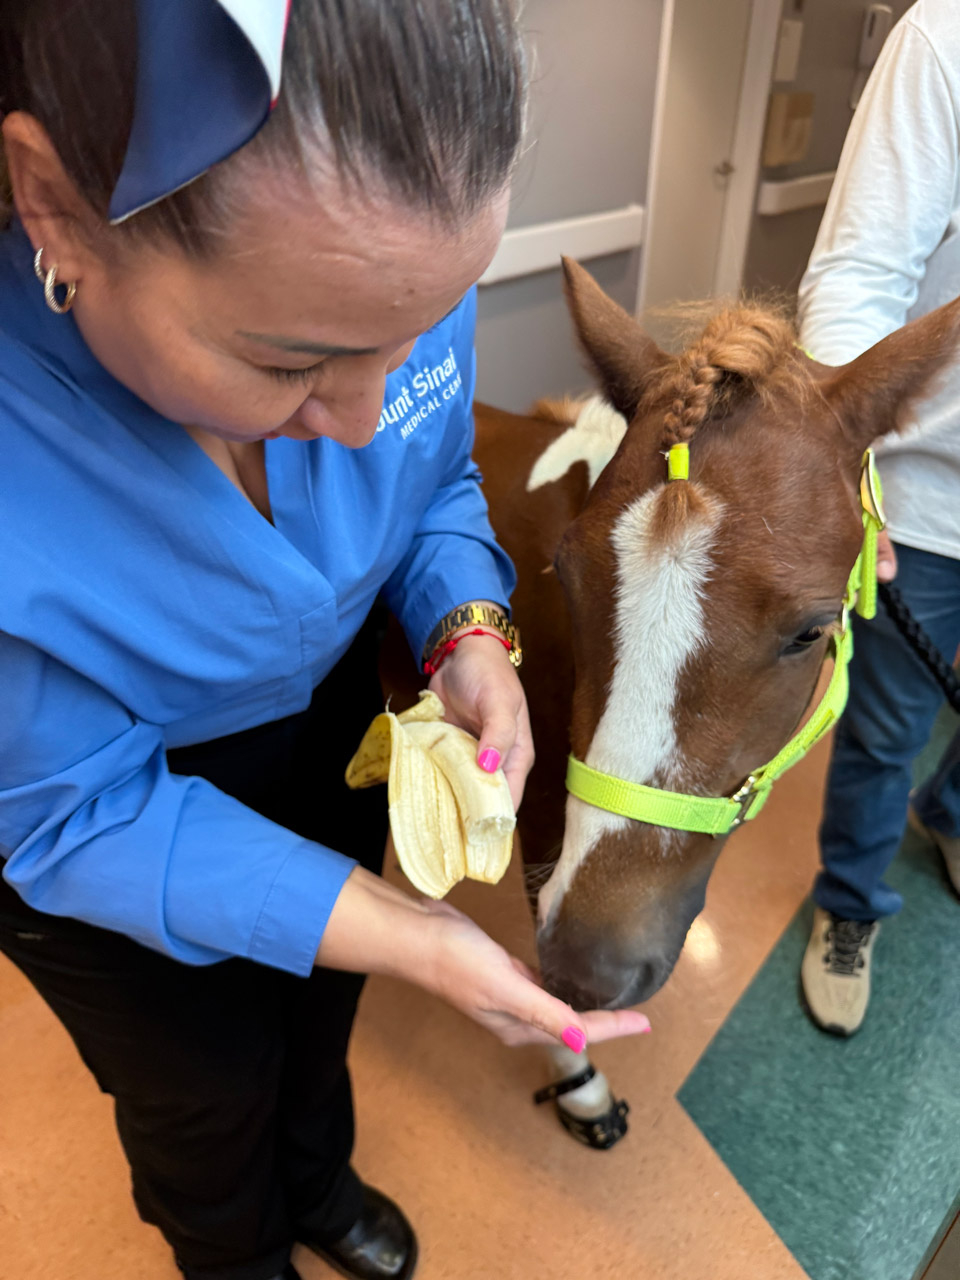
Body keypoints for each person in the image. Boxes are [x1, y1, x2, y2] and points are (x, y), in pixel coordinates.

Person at [0, 4, 650, 1279]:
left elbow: (429, 481)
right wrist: (409, 931)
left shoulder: (381, 288)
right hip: (103, 815)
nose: (362, 416)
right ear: (53, 205)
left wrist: (469, 629)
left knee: (316, 1008)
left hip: (329, 727)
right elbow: (71, 817)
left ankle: (318, 1177)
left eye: (423, 328)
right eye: (293, 359)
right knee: (201, 1078)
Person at [797, 0, 960, 1037]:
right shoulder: (944, 39)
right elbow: (857, 279)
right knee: (890, 724)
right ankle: (850, 904)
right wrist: (839, 468)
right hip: (927, 498)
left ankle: (949, 816)